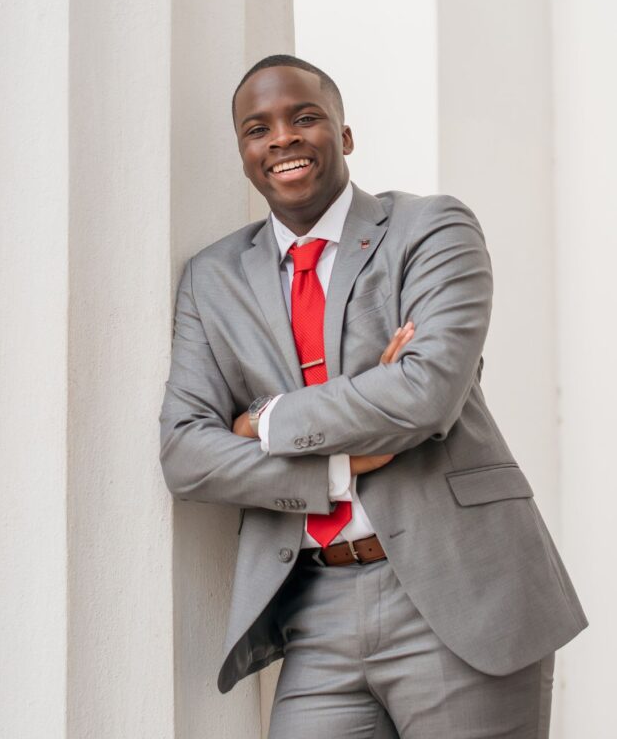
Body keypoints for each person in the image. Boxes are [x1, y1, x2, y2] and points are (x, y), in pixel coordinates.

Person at [159, 54, 587, 738]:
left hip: (460, 595)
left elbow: (423, 393)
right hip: (315, 605)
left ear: (344, 135)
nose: (282, 139)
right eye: (257, 128)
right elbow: (184, 453)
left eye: (305, 118)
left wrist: (261, 421)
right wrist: (335, 465)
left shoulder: (429, 229)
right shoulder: (212, 279)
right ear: (243, 153)